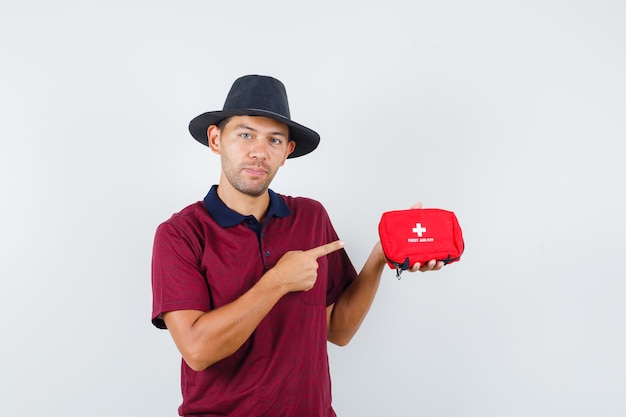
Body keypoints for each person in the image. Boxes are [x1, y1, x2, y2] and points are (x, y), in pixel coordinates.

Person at [151, 74, 443, 417]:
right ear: (216, 139)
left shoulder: (310, 216)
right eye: (245, 135)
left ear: (287, 151)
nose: (259, 152)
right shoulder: (180, 234)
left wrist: (381, 255)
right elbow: (197, 351)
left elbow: (338, 330)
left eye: (274, 140)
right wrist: (277, 282)